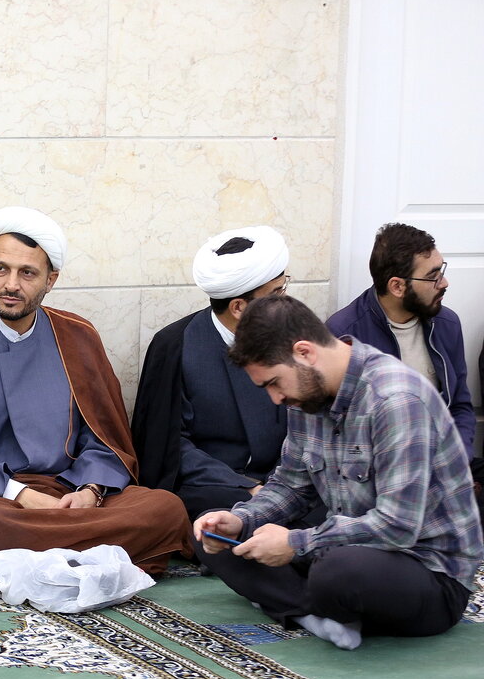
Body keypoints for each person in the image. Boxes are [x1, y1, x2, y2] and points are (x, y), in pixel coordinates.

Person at [0, 207, 192, 574]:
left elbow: (104, 439)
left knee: (165, 508)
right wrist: (20, 494)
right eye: (0, 269)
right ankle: (92, 558)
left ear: (50, 280)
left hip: (72, 493)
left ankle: (24, 561)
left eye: (27, 273)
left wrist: (91, 490)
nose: (11, 285)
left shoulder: (78, 336)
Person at [195, 296, 481, 650]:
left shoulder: (396, 399)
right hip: (345, 546)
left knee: (337, 573)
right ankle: (316, 614)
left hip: (426, 571)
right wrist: (241, 520)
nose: (275, 399)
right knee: (214, 534)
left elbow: (398, 527)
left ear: (304, 353)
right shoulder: (306, 396)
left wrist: (296, 544)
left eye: (274, 383)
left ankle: (299, 601)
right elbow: (291, 486)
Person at [133, 227, 292, 519]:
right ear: (239, 307)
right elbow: (170, 444)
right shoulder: (175, 345)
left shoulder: (292, 337)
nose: (285, 301)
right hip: (214, 485)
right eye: (276, 293)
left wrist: (282, 486)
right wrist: (246, 487)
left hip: (285, 481)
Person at [326, 223, 474, 455]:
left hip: (442, 458)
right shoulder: (344, 335)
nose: (444, 283)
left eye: (441, 271)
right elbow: (335, 429)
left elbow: (459, 406)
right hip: (378, 466)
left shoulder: (447, 323)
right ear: (397, 286)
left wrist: (458, 458)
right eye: (433, 277)